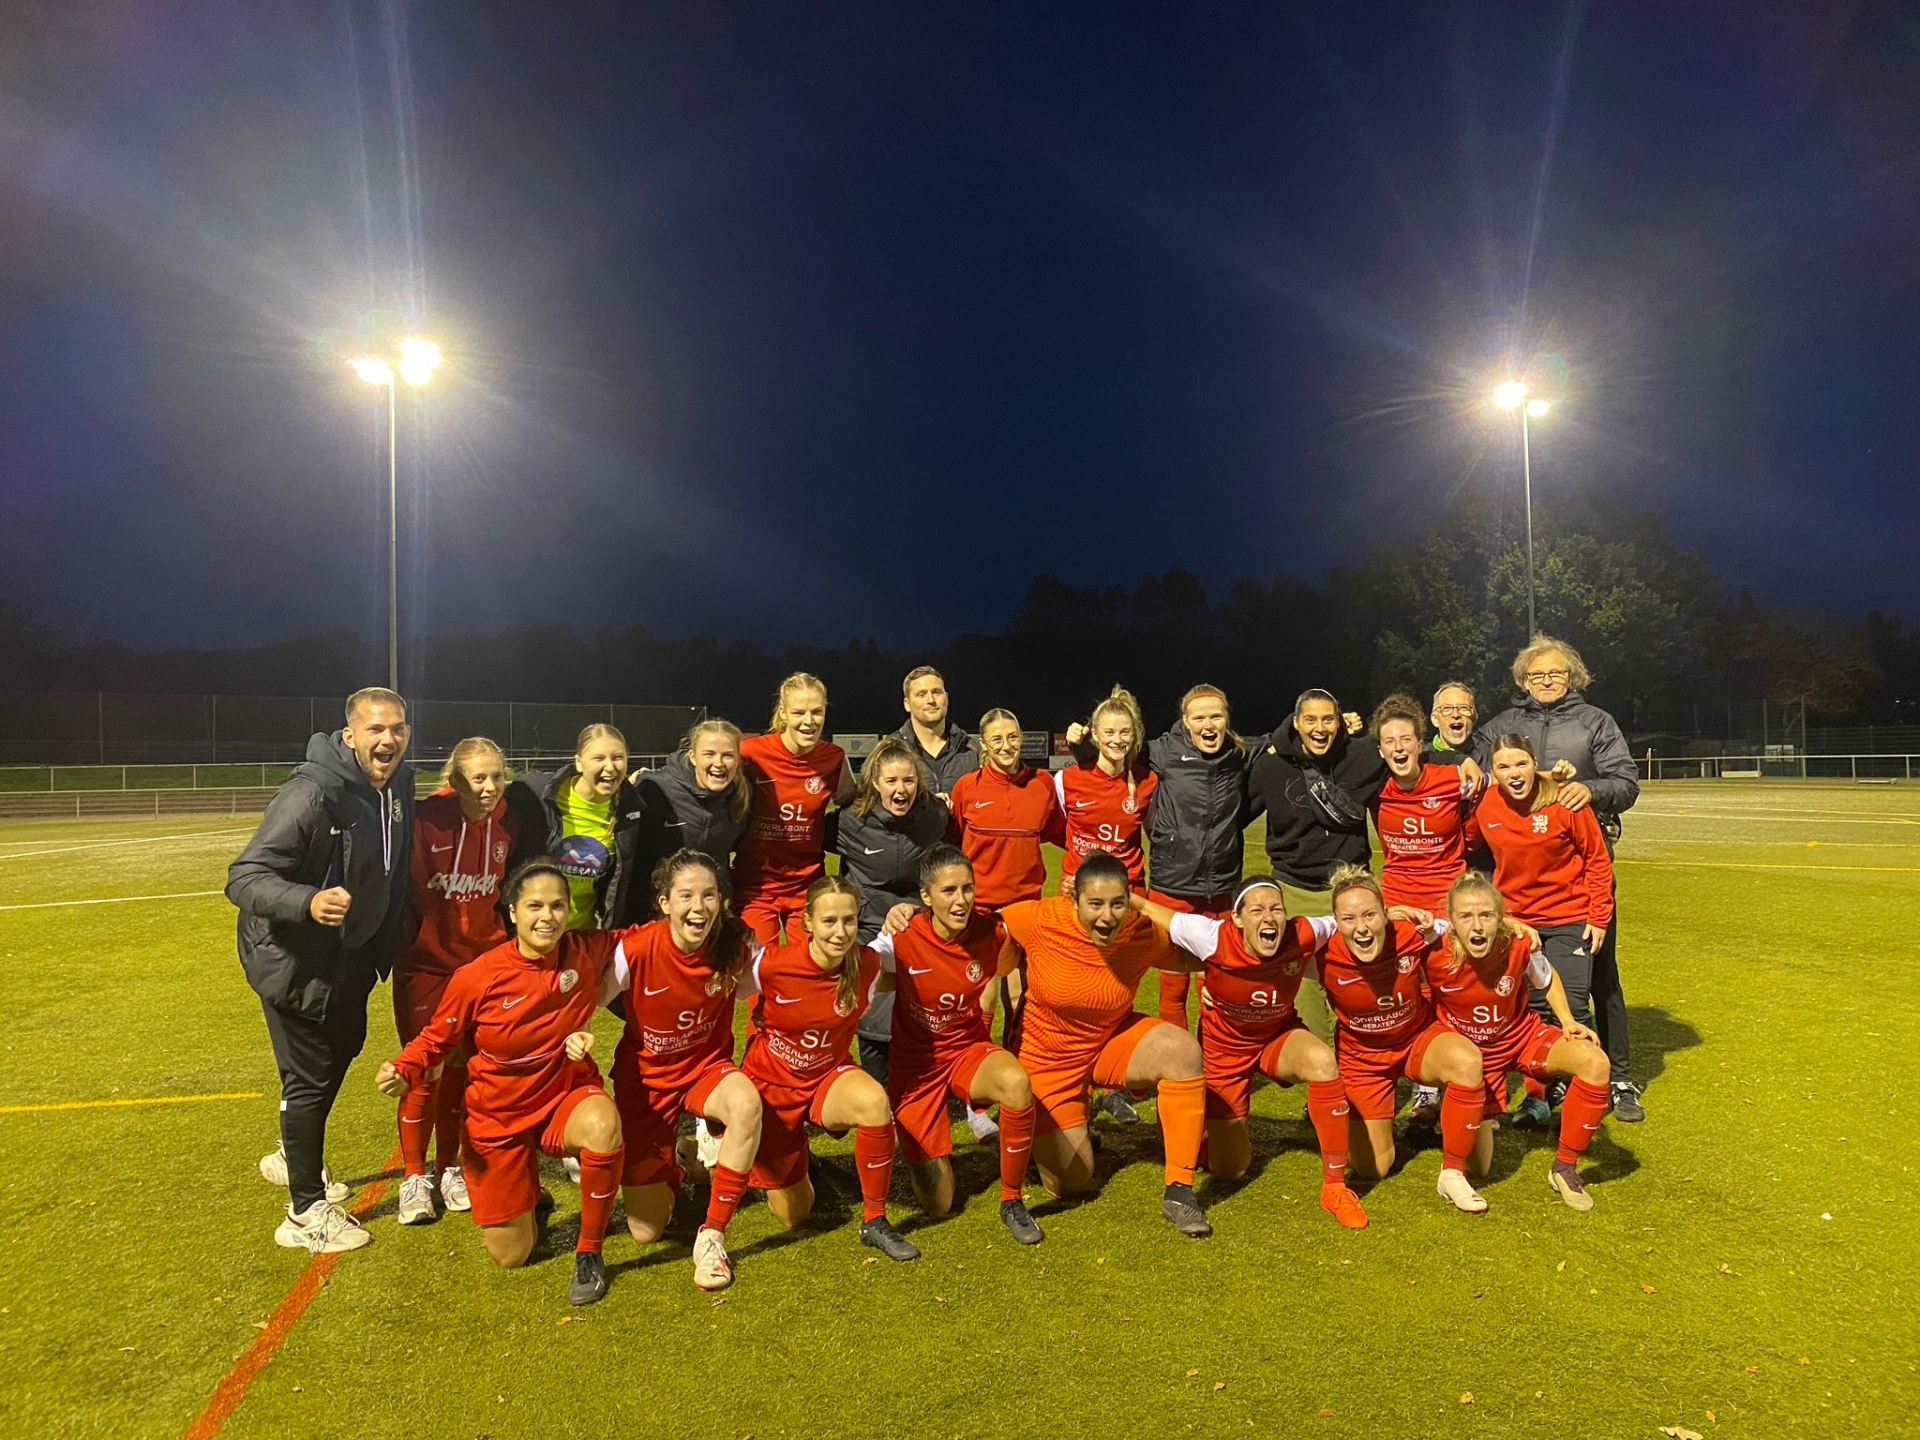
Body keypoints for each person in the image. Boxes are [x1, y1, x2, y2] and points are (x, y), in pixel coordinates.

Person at [376, 861, 626, 1305]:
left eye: (557, 906)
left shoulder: (584, 950)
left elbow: (648, 938)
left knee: (603, 1126)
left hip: (562, 1097)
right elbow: (435, 1039)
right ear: (512, 912)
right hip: (498, 1118)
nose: (547, 917)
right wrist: (403, 1069)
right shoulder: (477, 976)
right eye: (535, 906)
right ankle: (526, 1191)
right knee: (512, 1255)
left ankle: (589, 1252)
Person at [229, 687, 415, 1254]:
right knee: (308, 1076)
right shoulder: (310, 793)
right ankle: (305, 1212)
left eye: (398, 728)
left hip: (350, 954)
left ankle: (293, 1153)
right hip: (293, 959)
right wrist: (307, 901)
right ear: (350, 734)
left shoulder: (398, 785)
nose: (388, 739)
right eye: (376, 729)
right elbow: (245, 877)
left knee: (343, 1047)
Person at [1472, 636, 1644, 1122]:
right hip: (1521, 884)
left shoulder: (1595, 721)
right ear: (1523, 679)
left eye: (1556, 673)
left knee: (1601, 980)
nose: (1546, 681)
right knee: (1530, 990)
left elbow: (1626, 783)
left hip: (1581, 871)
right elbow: (1469, 766)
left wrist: (1585, 790)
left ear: (1573, 676)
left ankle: (1618, 1077)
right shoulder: (1503, 725)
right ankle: (1546, 1086)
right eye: (1537, 675)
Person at [999, 851, 1213, 1238]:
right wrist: (909, 915)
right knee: (1072, 1183)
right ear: (1074, 899)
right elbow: (971, 931)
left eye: (1117, 903)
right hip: (1048, 1061)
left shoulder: (1139, 930)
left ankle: (1179, 1191)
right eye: (1095, 904)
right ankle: (1044, 1126)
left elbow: (1203, 952)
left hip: (1109, 1042)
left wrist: (1229, 973)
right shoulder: (1039, 918)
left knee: (1181, 1051)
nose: (1107, 916)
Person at [1131, 879, 1368, 1228]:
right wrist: (1117, 894)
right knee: (1231, 1170)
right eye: (1257, 910)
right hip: (1224, 1052)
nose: (1269, 918)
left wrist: (1396, 915)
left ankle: (1334, 1187)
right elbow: (1152, 909)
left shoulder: (1303, 931)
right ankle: (1202, 1135)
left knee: (1322, 1062)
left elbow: (1349, 919)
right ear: (1238, 919)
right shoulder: (1211, 935)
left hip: (1277, 1036)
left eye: (1276, 909)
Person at [741, 875, 920, 1261]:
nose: (841, 932)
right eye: (829, 921)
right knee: (795, 1216)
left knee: (874, 1102)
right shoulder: (770, 964)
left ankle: (875, 1221)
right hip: (771, 1090)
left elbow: (927, 946)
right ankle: (780, 1152)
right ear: (807, 922)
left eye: (849, 920)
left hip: (826, 1076)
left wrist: (909, 910)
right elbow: (713, 986)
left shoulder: (867, 963)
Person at [872, 845, 1044, 1243]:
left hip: (967, 1051)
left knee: (1017, 1083)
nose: (961, 900)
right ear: (926, 896)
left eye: (967, 888)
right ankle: (924, 1142)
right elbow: (858, 966)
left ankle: (1012, 1200)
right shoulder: (901, 936)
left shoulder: (992, 932)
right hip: (916, 1068)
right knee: (939, 1204)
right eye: (948, 891)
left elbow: (1032, 942)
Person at [610, 850, 765, 1291]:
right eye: (686, 896)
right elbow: (586, 999)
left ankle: (712, 1236)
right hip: (646, 1085)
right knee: (646, 1231)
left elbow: (776, 981)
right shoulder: (634, 949)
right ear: (664, 903)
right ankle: (680, 1160)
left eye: (709, 895)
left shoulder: (735, 945)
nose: (699, 907)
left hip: (705, 1070)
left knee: (745, 1104)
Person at [1426, 871, 1613, 1210]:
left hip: (1521, 1038)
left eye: (1486, 915)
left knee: (1595, 1062)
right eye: (1466, 916)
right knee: (1480, 1168)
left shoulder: (1519, 943)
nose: (1477, 926)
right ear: (1450, 921)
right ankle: (1456, 1125)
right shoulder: (1434, 951)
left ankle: (1564, 1169)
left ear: (1501, 918)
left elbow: (1546, 978)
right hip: (1470, 1058)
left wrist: (1568, 1021)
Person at [393, 736, 519, 1226]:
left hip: (482, 969)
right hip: (425, 965)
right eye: (477, 778)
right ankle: (413, 1176)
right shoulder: (425, 820)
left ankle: (449, 1168)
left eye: (496, 776)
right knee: (425, 1068)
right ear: (454, 780)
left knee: (464, 1069)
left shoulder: (509, 821)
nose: (489, 787)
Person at [1316, 864, 1492, 1214]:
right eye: (1349, 919)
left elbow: (1469, 927)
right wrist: (1210, 989)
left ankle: (1453, 1170)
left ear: (1386, 915)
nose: (1361, 928)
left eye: (1370, 915)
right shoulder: (1321, 953)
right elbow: (1265, 968)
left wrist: (1515, 927)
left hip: (1417, 1039)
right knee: (1373, 1168)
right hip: (1362, 1060)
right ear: (1336, 923)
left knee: (1467, 1065)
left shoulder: (1411, 934)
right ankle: (1391, 1122)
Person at [1465, 733, 1617, 1131]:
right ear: (1493, 772)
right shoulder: (1486, 805)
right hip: (1517, 922)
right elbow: (1466, 843)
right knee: (1531, 1013)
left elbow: (1596, 859)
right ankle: (1538, 1098)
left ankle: (1588, 1091)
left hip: (1569, 918)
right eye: (1503, 766)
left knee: (1574, 1009)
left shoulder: (1564, 800)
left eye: (1521, 763)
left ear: (1535, 764)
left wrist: (1598, 916)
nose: (1514, 773)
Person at [833, 737, 955, 1086]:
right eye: (891, 781)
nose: (901, 789)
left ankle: (920, 1087)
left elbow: (949, 864)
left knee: (922, 1010)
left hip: (917, 927)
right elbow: (800, 846)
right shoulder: (849, 821)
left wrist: (919, 909)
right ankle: (879, 1088)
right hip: (868, 930)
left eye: (908, 780)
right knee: (874, 1011)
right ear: (875, 782)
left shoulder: (934, 816)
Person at [1139, 685, 1256, 1030]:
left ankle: (1212, 1058)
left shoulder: (1240, 752)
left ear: (1227, 719)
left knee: (1216, 986)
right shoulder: (1164, 750)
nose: (1209, 724)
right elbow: (1115, 747)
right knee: (1173, 988)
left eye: (1216, 716)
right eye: (1200, 717)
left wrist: (1345, 727)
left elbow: (1289, 739)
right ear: (1185, 721)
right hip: (1171, 888)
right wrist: (1081, 744)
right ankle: (1178, 1059)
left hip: (1221, 890)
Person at [734, 672, 856, 944]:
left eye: (817, 712)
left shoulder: (834, 758)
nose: (809, 721)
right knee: (753, 966)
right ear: (783, 713)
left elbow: (855, 803)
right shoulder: (750, 754)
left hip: (807, 886)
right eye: (799, 712)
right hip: (756, 888)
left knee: (810, 964)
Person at [506, 724, 645, 931]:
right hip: (533, 933)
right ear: (579, 763)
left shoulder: (631, 811)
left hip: (582, 934)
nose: (610, 767)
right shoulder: (537, 796)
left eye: (618, 757)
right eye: (599, 758)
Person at [947, 708, 1063, 914]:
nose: (1007, 746)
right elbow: (953, 840)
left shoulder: (1043, 782)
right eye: (997, 739)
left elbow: (1058, 832)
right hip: (977, 907)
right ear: (983, 743)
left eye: (1012, 737)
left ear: (1022, 738)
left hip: (1028, 906)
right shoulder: (967, 787)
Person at [1367, 694, 1475, 910]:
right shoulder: (1374, 787)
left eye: (1406, 739)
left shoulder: (1451, 778)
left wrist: (1553, 779)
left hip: (1448, 900)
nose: (1398, 747)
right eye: (1389, 741)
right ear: (1380, 751)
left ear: (1419, 745)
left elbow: (1504, 783)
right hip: (1396, 901)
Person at [630, 717, 752, 905]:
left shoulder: (743, 795)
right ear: (693, 757)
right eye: (709, 754)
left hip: (708, 907)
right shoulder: (654, 788)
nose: (719, 763)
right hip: (656, 906)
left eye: (728, 755)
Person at [891, 665, 980, 798]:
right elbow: (868, 804)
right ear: (907, 703)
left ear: (947, 698)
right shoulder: (890, 750)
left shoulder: (971, 749)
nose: (931, 700)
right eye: (921, 694)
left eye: (936, 692)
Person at [1429, 681, 1477, 753]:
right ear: (1435, 719)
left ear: (1474, 718)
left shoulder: (1489, 755)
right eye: (1447, 708)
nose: (1455, 715)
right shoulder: (1420, 757)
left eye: (1463, 708)